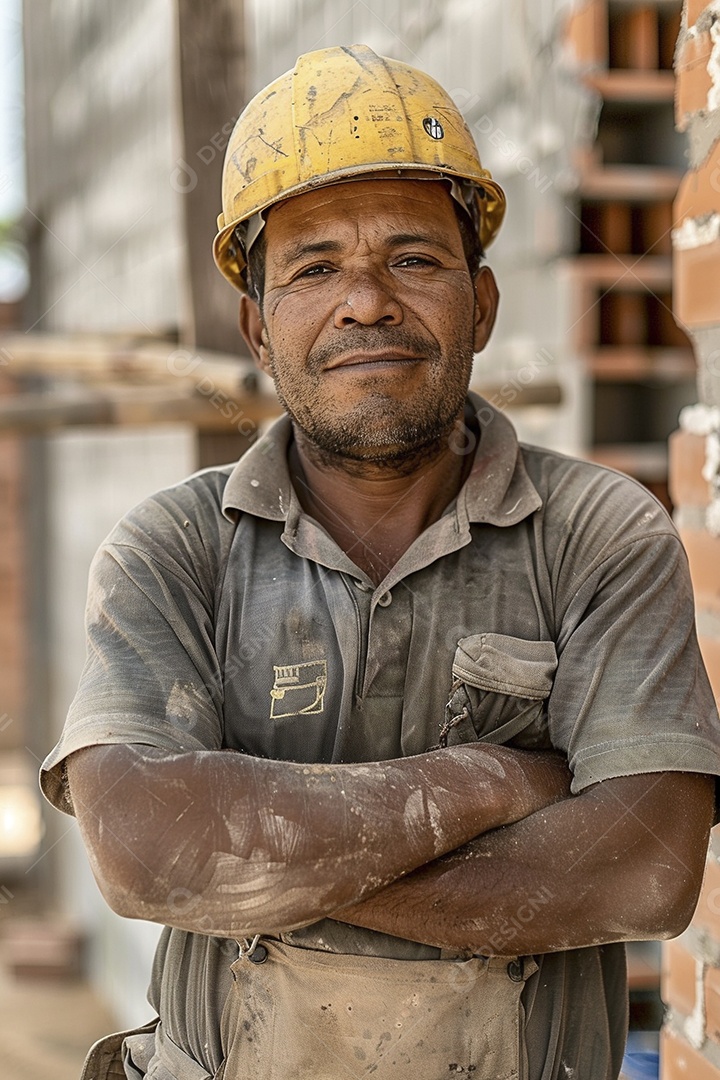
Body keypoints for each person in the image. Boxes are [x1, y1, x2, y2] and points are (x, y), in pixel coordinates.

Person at [41, 43, 720, 1080]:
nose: (366, 302)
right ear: (259, 330)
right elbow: (142, 851)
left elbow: (651, 864)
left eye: (413, 258)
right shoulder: (174, 547)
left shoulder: (600, 535)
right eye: (315, 267)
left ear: (481, 306)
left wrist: (258, 861)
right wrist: (494, 780)